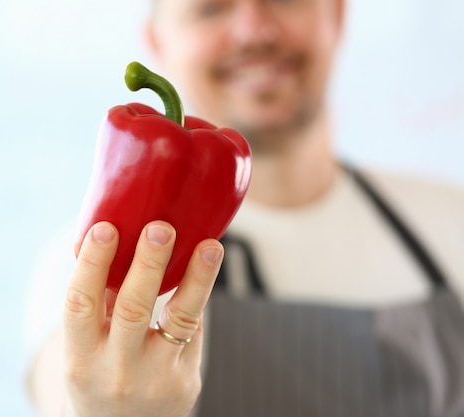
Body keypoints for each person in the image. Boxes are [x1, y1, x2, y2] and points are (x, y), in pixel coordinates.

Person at [25, 0, 464, 416]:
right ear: (159, 42)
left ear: (336, 16)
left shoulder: (454, 221)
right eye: (210, 8)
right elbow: (65, 388)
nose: (255, 29)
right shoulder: (101, 265)